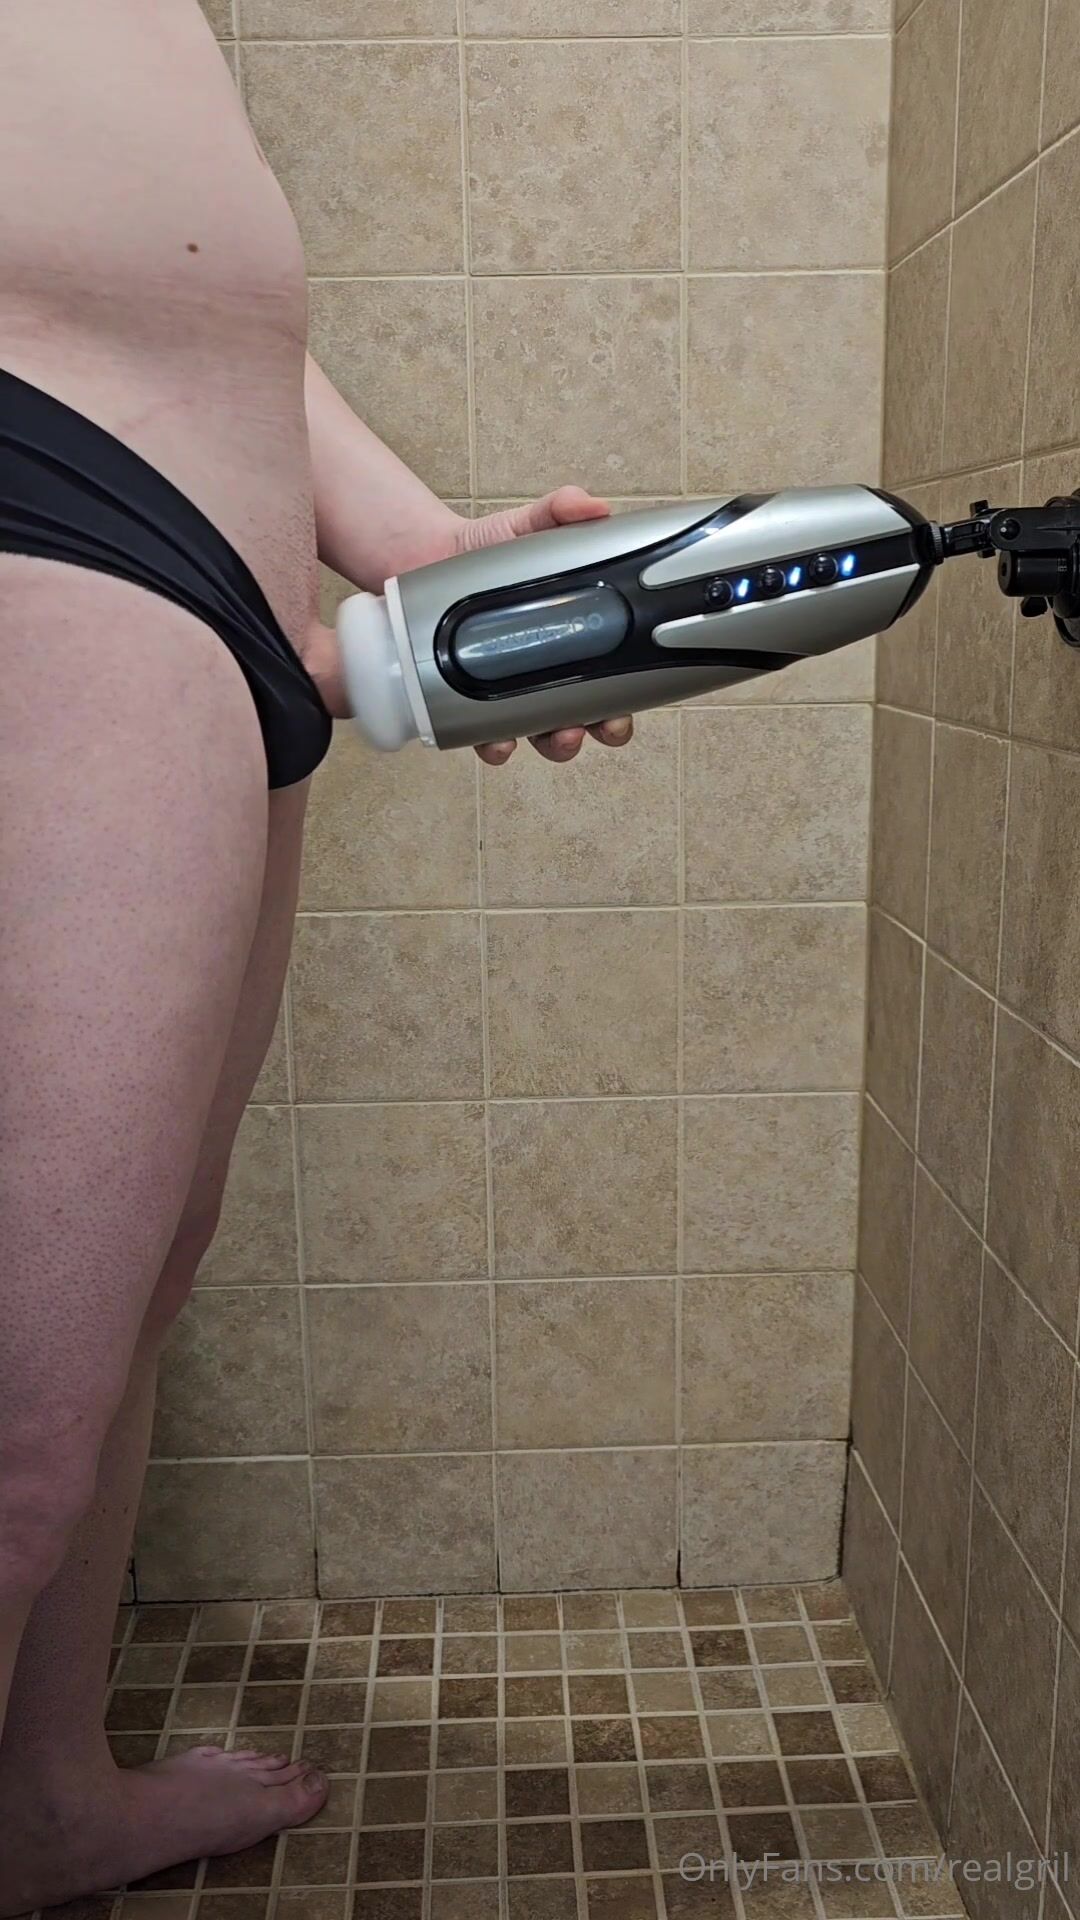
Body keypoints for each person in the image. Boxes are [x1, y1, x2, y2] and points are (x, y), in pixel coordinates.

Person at [0, 6, 633, 1909]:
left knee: (135, 1283)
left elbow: (211, 289)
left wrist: (417, 545)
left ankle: (42, 1800)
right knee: (15, 1422)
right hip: (41, 492)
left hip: (204, 552)